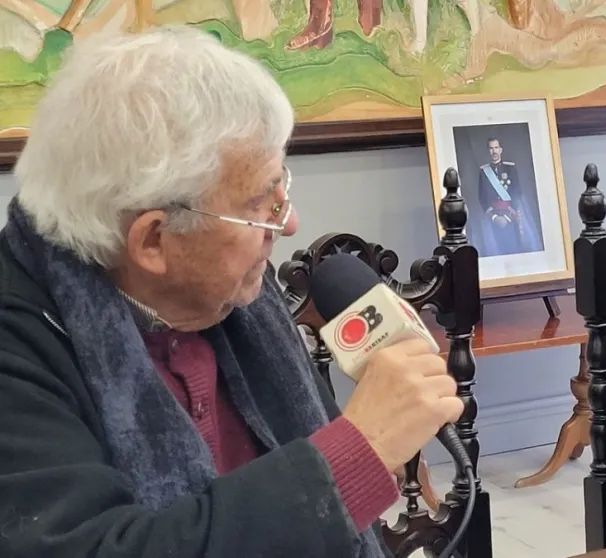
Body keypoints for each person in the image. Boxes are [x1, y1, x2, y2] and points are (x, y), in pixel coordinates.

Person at [0, 26, 463, 558]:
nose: (289, 222)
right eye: (259, 204)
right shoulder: (18, 352)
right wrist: (361, 451)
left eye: (282, 187)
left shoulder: (231, 294)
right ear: (153, 240)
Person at [474, 137, 541, 256]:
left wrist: (508, 217)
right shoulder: (484, 172)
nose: (494, 151)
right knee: (496, 250)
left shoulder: (510, 168)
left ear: (501, 149)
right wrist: (494, 217)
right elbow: (482, 197)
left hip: (511, 216)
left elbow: (517, 193)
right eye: (491, 148)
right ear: (488, 151)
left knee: (513, 248)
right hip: (493, 218)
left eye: (496, 148)